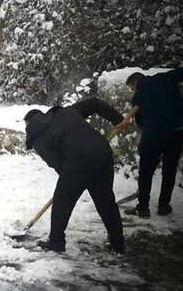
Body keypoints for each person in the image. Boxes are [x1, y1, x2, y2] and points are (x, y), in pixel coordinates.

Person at [120, 62, 183, 218]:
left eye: (132, 88)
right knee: (169, 171)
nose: (133, 91)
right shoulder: (166, 77)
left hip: (153, 135)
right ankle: (163, 206)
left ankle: (143, 208)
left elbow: (140, 122)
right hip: (176, 132)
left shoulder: (139, 95)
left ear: (135, 82)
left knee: (146, 172)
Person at [24, 97, 125, 253]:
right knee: (105, 201)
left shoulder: (39, 140)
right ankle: (118, 244)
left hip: (77, 163)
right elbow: (94, 103)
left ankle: (56, 242)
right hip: (102, 153)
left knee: (62, 201)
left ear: (29, 125)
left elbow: (57, 165)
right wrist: (117, 119)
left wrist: (73, 180)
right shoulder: (67, 112)